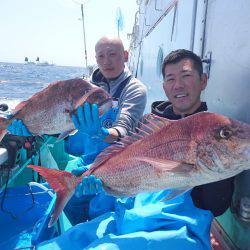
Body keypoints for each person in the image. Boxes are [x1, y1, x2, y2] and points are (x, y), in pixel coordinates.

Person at [35, 49, 230, 250]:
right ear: (164, 87)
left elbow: (216, 205)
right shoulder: (150, 123)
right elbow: (125, 156)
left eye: (186, 76)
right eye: (171, 79)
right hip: (127, 215)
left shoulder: (214, 130)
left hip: (176, 229)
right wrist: (101, 183)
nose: (178, 85)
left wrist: (206, 167)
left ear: (203, 80)